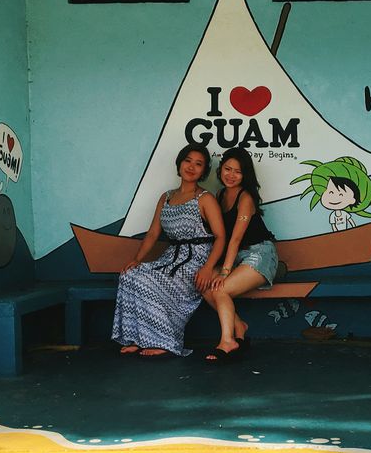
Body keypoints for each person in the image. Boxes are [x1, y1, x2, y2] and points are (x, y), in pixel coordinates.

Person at [113, 143, 225, 357]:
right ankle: (137, 338)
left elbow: (220, 236)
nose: (191, 167)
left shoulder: (205, 198)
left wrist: (208, 268)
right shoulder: (166, 197)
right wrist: (137, 259)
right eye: (188, 161)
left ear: (204, 171)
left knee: (146, 281)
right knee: (129, 275)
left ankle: (163, 341)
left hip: (196, 260)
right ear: (180, 164)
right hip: (171, 258)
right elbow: (153, 233)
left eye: (198, 164)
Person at [202, 147, 278, 361]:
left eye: (238, 172)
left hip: (260, 253)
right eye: (228, 169)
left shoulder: (246, 198)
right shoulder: (220, 195)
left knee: (220, 289)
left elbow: (235, 239)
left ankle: (227, 341)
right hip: (236, 256)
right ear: (220, 169)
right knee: (206, 286)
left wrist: (224, 272)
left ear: (245, 175)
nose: (231, 175)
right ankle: (239, 326)